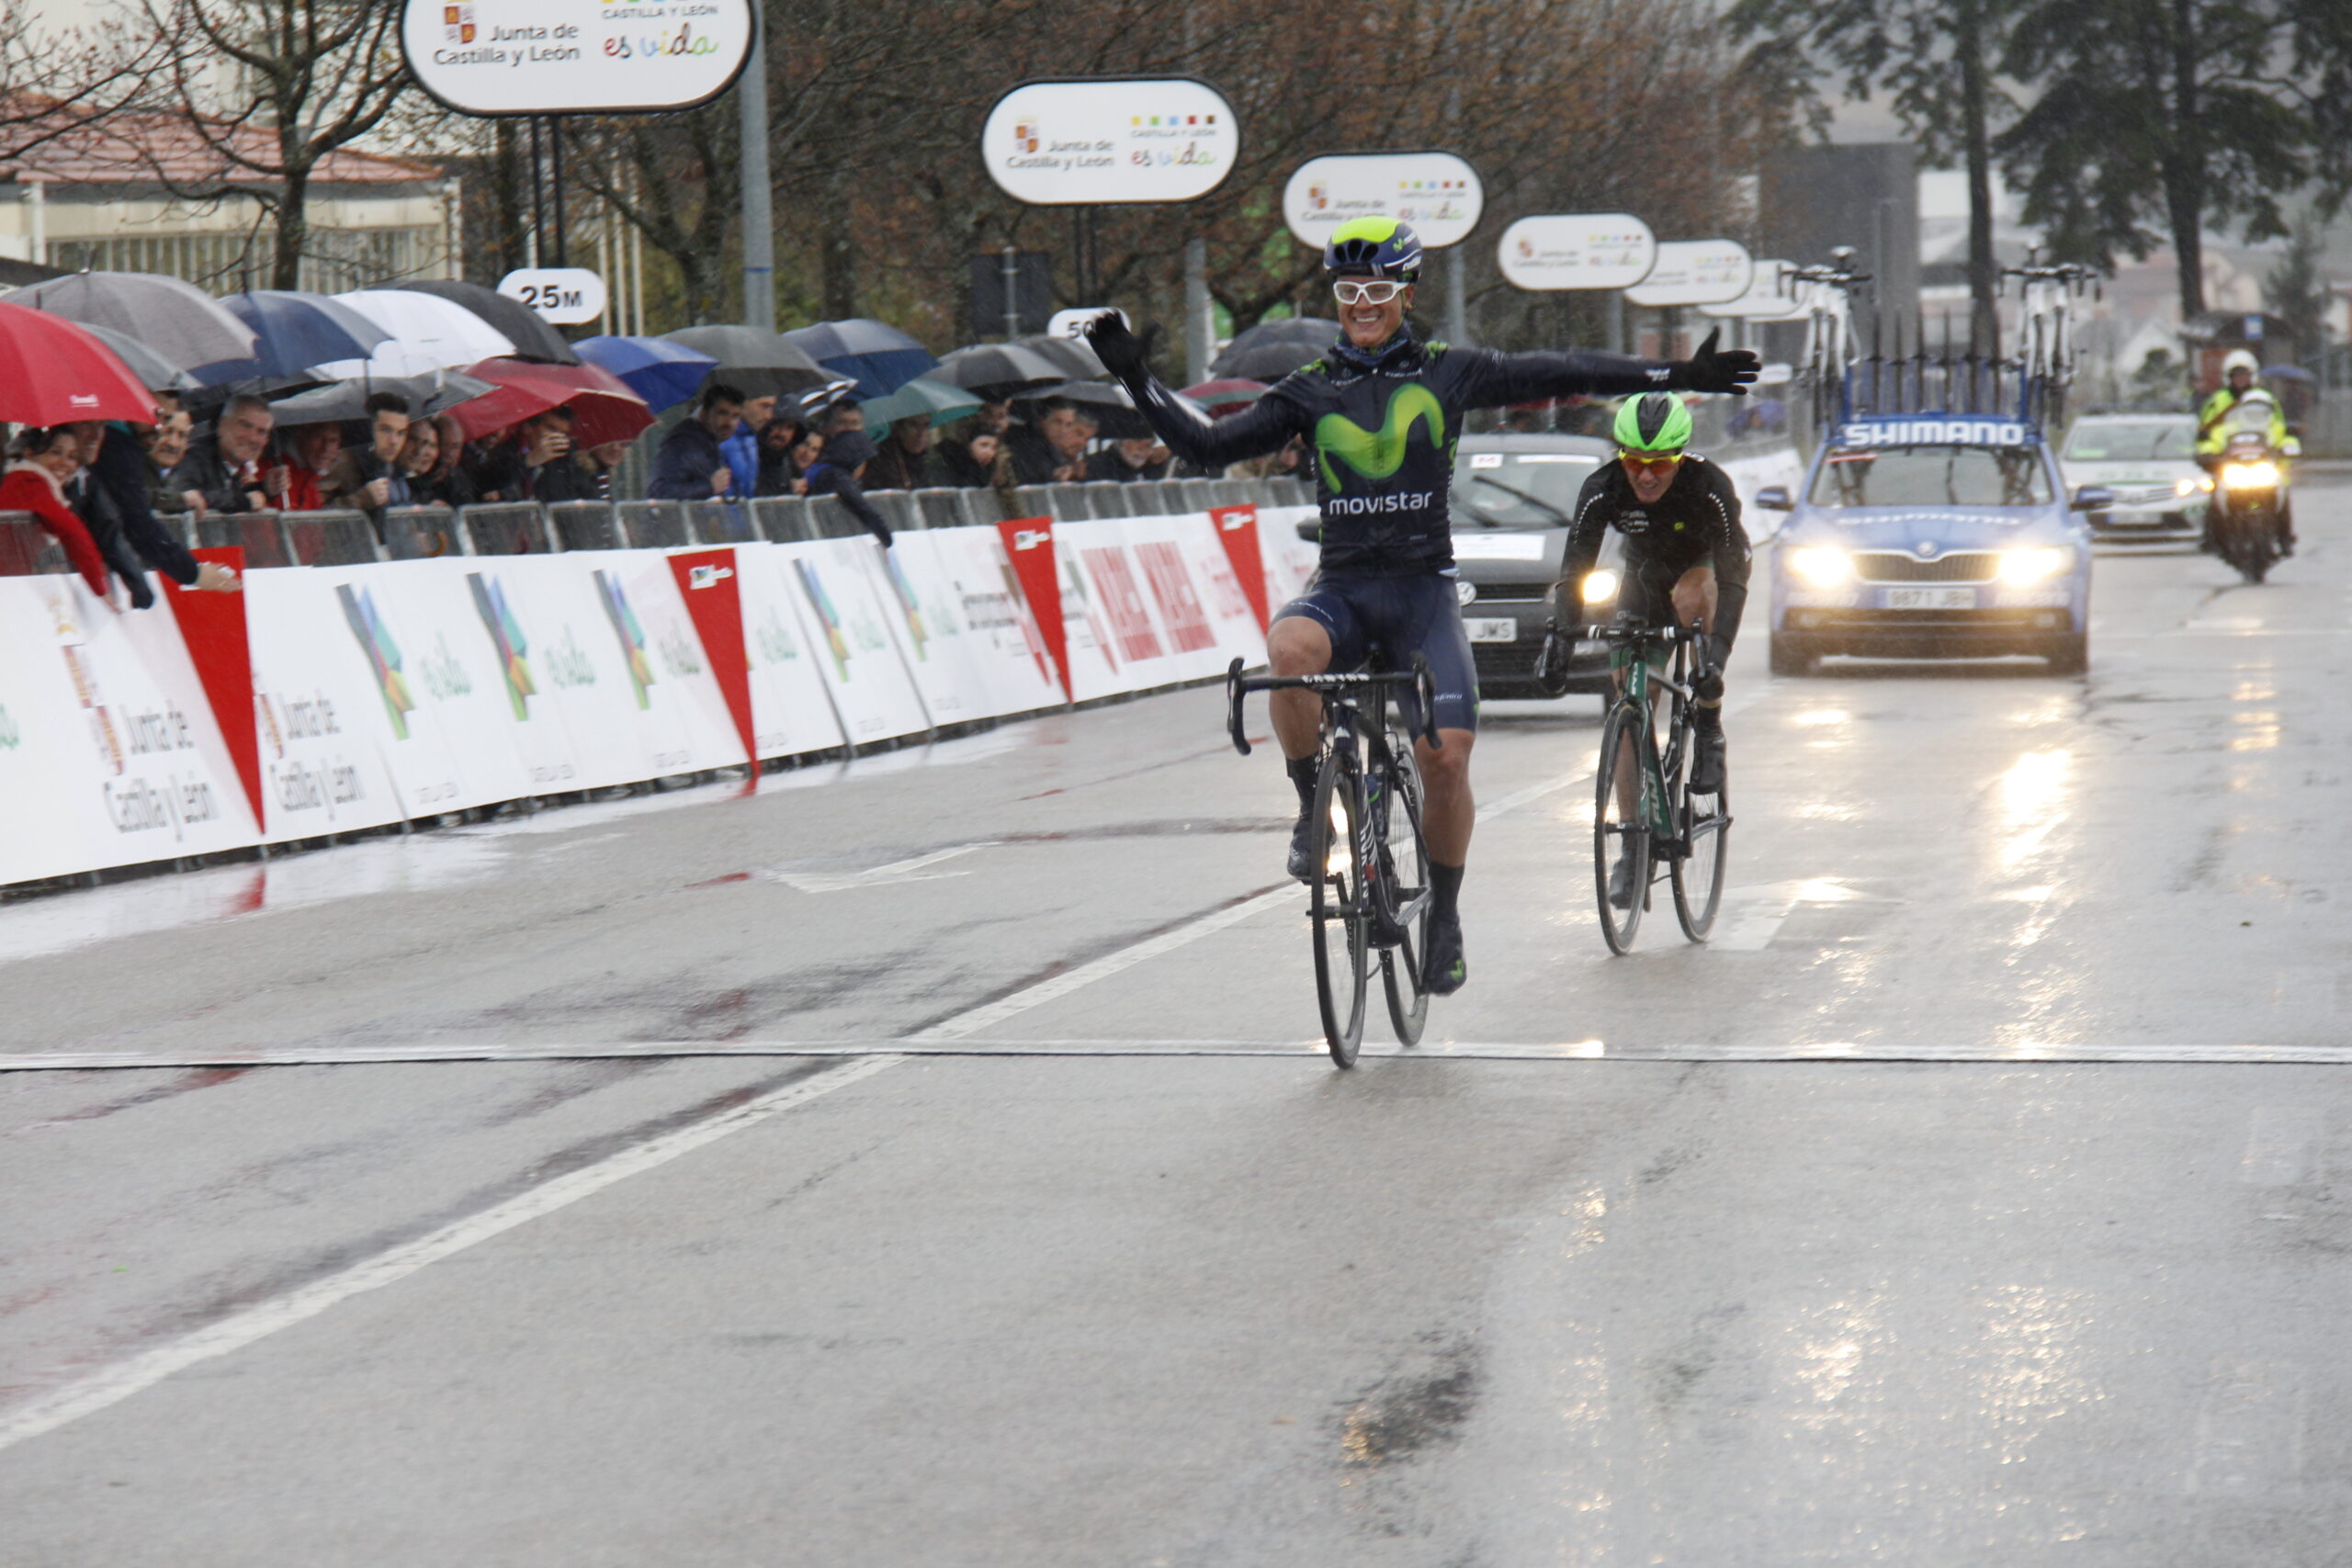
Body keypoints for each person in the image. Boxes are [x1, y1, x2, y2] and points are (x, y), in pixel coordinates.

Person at [1086, 216, 1756, 996]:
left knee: (1445, 758)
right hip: (1342, 587)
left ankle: (1444, 915)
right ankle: (1312, 805)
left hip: (1422, 594)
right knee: (1288, 652)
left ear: (1406, 292)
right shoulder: (1310, 389)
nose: (1362, 304)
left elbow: (1564, 369)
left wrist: (1671, 380)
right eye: (1347, 290)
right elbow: (1206, 447)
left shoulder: (1450, 372)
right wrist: (1137, 382)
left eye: (1377, 289)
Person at [1544, 392, 1750, 908]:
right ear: (1620, 456)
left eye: (1660, 464)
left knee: (1694, 594)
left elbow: (1735, 576)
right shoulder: (1604, 488)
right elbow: (1576, 567)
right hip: (1643, 579)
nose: (1647, 475)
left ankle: (1707, 723)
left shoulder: (1709, 486)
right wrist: (1560, 638)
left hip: (1698, 573)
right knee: (1627, 701)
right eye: (1635, 462)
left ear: (1680, 456)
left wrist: (1714, 663)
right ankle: (1633, 847)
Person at [2196, 350, 2296, 554]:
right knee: (2215, 496)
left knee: (2282, 494)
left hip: (2262, 459)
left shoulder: (2266, 400)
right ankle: (2212, 538)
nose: (2242, 379)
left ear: (2254, 376)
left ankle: (2285, 538)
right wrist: (2208, 453)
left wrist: (2286, 447)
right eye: (2237, 375)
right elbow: (2206, 433)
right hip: (2230, 460)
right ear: (2228, 377)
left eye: (2245, 375)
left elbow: (2278, 427)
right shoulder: (2217, 401)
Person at [2, 427, 110, 597]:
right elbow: (72, 532)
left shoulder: (30, 482)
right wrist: (100, 586)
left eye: (72, 457)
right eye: (55, 452)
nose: (65, 462)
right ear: (30, 454)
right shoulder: (28, 482)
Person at [170, 393, 274, 515]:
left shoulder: (228, 466)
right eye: (246, 426)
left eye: (261, 432)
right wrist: (243, 501)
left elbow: (224, 495)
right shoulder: (194, 459)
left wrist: (265, 488)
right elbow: (180, 498)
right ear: (221, 425)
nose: (253, 438)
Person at [322, 392, 414, 515]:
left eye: (401, 433)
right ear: (370, 428)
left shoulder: (391, 465)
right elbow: (313, 518)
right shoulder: (346, 461)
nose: (394, 441)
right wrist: (357, 500)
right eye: (385, 430)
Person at [648, 383, 743, 501]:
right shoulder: (684, 443)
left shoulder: (706, 440)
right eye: (722, 413)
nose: (729, 423)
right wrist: (710, 486)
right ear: (704, 413)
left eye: (736, 416)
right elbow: (659, 492)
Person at [799, 428, 894, 547]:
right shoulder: (836, 475)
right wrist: (889, 541)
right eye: (805, 445)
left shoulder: (820, 471)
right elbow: (862, 507)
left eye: (815, 450)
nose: (807, 453)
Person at [1008, 397, 1095, 484]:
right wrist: (1054, 479)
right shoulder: (1026, 451)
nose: (1063, 430)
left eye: (1069, 425)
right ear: (1042, 422)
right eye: (1057, 422)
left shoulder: (1065, 453)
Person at [266, 421, 339, 511]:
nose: (326, 448)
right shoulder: (269, 472)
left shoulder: (312, 480)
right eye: (318, 437)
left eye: (333, 440)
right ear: (300, 436)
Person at [717, 391, 777, 499]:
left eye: (772, 408)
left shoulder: (753, 437)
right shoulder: (721, 438)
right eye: (764, 406)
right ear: (743, 404)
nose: (769, 416)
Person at [865, 413, 941, 490]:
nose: (921, 433)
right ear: (898, 429)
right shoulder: (883, 461)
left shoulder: (931, 462)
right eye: (913, 425)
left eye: (926, 425)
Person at [934, 420, 1005, 490]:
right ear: (969, 445)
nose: (989, 452)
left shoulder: (993, 469)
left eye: (994, 447)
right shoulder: (954, 466)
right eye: (984, 445)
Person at [753, 416, 808, 497]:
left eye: (789, 428)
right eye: (777, 425)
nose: (782, 433)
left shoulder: (788, 463)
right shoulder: (752, 455)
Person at [1087, 434, 1170, 483]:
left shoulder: (1148, 470)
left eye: (1148, 446)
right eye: (1137, 441)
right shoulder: (1095, 466)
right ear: (1122, 441)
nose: (1142, 449)